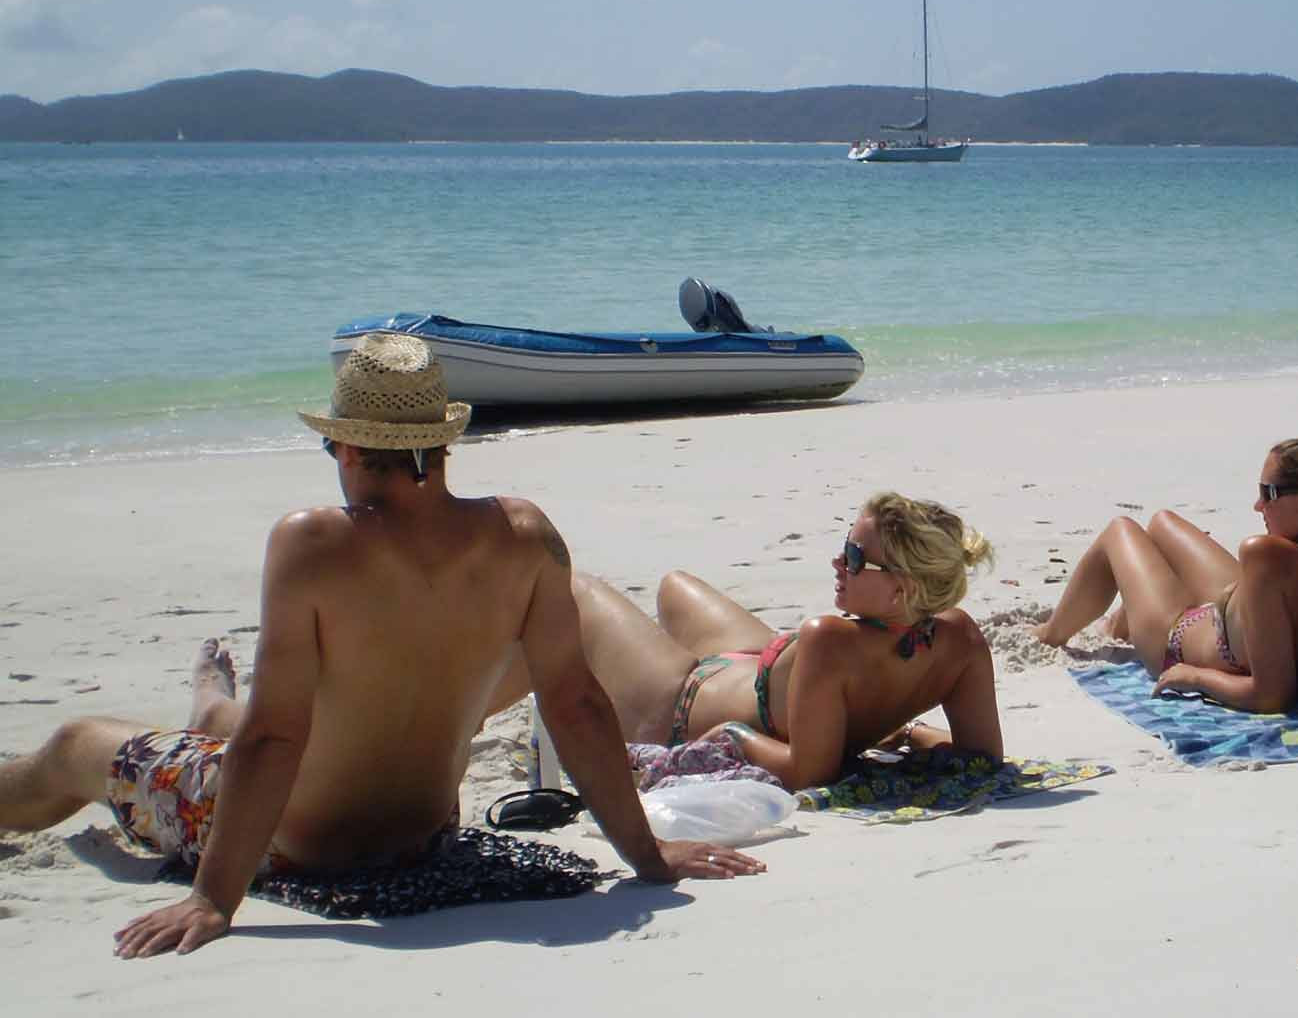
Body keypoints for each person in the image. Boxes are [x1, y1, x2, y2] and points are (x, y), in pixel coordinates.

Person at [0, 333, 762, 961]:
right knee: (250, 722)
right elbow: (576, 704)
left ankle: (206, 707)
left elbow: (275, 738)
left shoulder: (314, 545)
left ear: (351, 450)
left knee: (77, 745)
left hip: (293, 848)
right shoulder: (525, 537)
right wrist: (648, 858)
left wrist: (213, 897)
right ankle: (210, 701)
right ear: (442, 442)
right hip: (420, 842)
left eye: (332, 444)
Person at [486, 491, 1004, 790]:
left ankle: (463, 717)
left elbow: (806, 773)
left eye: (853, 557)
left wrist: (733, 737)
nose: (837, 564)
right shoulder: (958, 637)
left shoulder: (829, 639)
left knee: (575, 592)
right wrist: (906, 732)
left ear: (901, 589)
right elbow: (982, 755)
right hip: (757, 666)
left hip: (682, 700)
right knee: (674, 585)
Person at [1034, 437, 1298, 710]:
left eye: (1268, 493)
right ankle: (1120, 622)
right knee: (1162, 522)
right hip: (1237, 612)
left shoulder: (1268, 556)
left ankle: (1051, 633)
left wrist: (1193, 677)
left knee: (1120, 530)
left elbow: (1271, 697)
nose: (1258, 506)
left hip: (1178, 638)